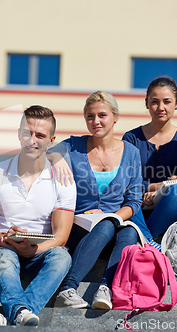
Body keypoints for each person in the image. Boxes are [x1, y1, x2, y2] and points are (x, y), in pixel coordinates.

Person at [0, 105, 77, 326]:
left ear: (51, 139)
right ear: (19, 134)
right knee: (6, 257)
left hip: (37, 252)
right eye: (27, 133)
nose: (32, 140)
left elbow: (61, 237)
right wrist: (3, 238)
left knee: (62, 257)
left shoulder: (63, 179)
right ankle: (20, 312)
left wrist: (32, 248)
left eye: (40, 135)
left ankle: (14, 314)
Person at [49, 91, 143, 310]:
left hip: (114, 226)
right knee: (109, 225)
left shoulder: (131, 152)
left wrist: (114, 217)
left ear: (115, 117)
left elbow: (134, 201)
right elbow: (43, 150)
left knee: (127, 231)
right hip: (79, 227)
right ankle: (67, 288)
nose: (95, 121)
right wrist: (56, 157)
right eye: (90, 116)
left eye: (102, 115)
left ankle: (106, 288)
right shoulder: (73, 146)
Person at [123, 76, 177, 244]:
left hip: (173, 207)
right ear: (146, 103)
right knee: (122, 193)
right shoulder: (131, 139)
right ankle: (149, 241)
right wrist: (151, 188)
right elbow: (125, 181)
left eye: (167, 101)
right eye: (155, 101)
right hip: (138, 208)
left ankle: (144, 239)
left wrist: (162, 191)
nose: (160, 107)